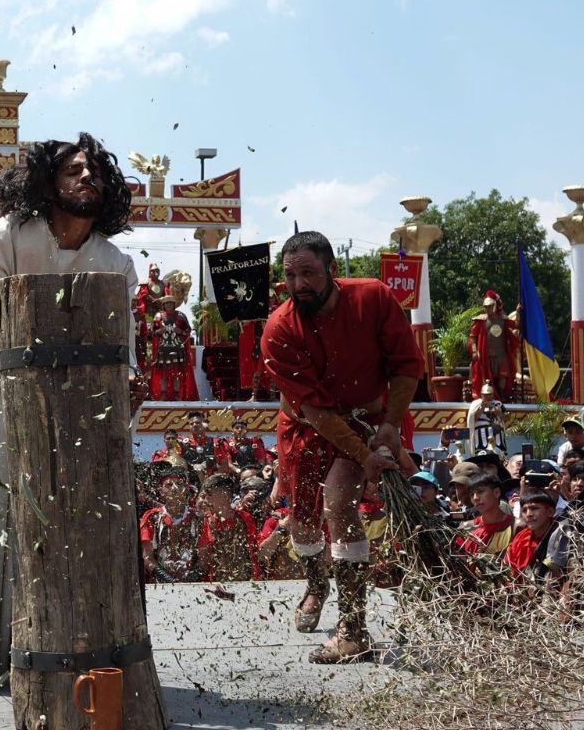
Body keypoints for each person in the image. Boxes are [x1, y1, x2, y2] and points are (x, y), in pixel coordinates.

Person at [0, 132, 141, 684]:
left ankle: (81, 644)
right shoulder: (6, 236)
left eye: (94, 171)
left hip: (84, 413)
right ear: (50, 182)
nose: (86, 177)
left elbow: (125, 346)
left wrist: (129, 385)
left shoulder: (114, 262)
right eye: (73, 170)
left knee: (80, 525)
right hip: (4, 399)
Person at [261, 230, 423, 664]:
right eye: (290, 275)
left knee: (338, 503)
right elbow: (317, 413)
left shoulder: (373, 297)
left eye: (309, 273)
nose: (299, 285)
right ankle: (316, 583)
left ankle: (353, 630)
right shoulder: (278, 329)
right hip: (306, 424)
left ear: (332, 270)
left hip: (372, 417)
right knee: (302, 522)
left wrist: (389, 428)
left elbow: (407, 367)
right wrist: (367, 456)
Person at [139, 468, 204, 583]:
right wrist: (168, 579)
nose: (174, 488)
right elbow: (147, 557)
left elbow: (204, 558)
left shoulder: (199, 517)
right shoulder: (152, 517)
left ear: (186, 489)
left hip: (194, 584)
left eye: (179, 484)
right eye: (169, 485)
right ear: (161, 491)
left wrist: (190, 580)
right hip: (159, 585)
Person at [196, 474, 261, 582]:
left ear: (225, 496)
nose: (205, 500)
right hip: (214, 587)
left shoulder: (245, 518)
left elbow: (254, 552)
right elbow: (203, 560)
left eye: (209, 495)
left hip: (247, 583)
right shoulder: (205, 521)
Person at [469, 290, 519, 400]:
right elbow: (473, 337)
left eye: (490, 306)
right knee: (487, 378)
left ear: (495, 305)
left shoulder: (503, 319)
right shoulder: (480, 320)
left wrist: (518, 311)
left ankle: (502, 396)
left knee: (503, 375)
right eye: (486, 306)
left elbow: (517, 325)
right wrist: (474, 350)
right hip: (487, 355)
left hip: (501, 354)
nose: (488, 309)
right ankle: (489, 398)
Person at [149, 292, 199, 401]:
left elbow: (188, 331)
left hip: (177, 349)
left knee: (177, 373)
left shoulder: (181, 316)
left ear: (173, 304)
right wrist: (159, 331)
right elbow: (151, 333)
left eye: (170, 303)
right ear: (163, 305)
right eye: (166, 303)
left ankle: (177, 394)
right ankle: (163, 394)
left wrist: (180, 331)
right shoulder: (158, 316)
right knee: (163, 374)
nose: (168, 305)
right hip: (163, 349)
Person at [505, 489, 557, 583]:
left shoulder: (562, 536)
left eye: (534, 508)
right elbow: (509, 572)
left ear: (550, 511)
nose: (528, 514)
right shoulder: (520, 538)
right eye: (524, 510)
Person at [459, 474, 516, 557]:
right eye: (471, 494)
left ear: (496, 492)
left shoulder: (516, 526)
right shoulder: (466, 528)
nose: (475, 498)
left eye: (480, 491)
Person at [465, 382, 506, 454]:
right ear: (481, 394)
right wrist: (482, 408)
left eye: (489, 394)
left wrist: (497, 412)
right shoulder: (476, 404)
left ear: (492, 394)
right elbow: (472, 419)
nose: (487, 397)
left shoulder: (498, 404)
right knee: (481, 453)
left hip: (496, 432)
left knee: (499, 453)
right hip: (481, 433)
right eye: (485, 395)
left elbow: (506, 418)